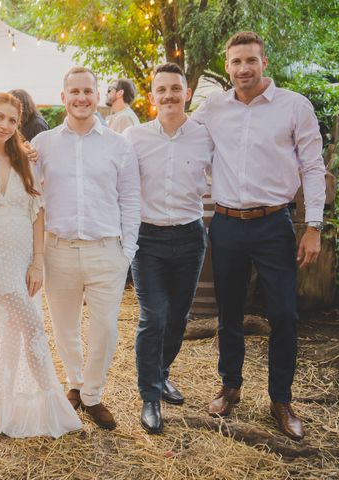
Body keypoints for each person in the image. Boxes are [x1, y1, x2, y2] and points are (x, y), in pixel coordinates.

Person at [192, 31, 325, 441]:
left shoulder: (294, 107)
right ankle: (230, 385)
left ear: (264, 62)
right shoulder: (212, 109)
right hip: (227, 224)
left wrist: (314, 227)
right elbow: (177, 139)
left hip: (273, 225)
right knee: (228, 312)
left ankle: (281, 399)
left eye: (250, 60)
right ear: (227, 65)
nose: (243, 69)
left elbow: (313, 168)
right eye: (235, 62)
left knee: (284, 313)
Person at [0, 93, 82, 438]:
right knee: (34, 328)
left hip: (24, 256)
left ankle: (6, 408)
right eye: (0, 118)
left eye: (13, 120)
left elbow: (37, 212)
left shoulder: (23, 160)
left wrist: (38, 262)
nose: (5, 126)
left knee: (13, 332)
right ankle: (53, 405)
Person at [33, 67, 141, 430]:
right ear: (63, 97)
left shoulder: (118, 144)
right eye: (74, 91)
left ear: (99, 96)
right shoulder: (43, 144)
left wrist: (128, 253)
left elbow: (130, 199)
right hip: (58, 250)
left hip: (106, 250)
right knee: (64, 328)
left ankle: (93, 394)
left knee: (105, 329)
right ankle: (75, 384)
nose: (82, 98)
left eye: (88, 91)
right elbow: (30, 196)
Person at [124, 63, 212, 434]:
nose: (169, 95)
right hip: (149, 239)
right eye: (162, 90)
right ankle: (149, 396)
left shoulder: (206, 136)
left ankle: (161, 374)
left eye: (176, 89)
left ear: (187, 93)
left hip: (191, 237)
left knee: (178, 317)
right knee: (153, 316)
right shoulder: (134, 137)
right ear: (152, 97)